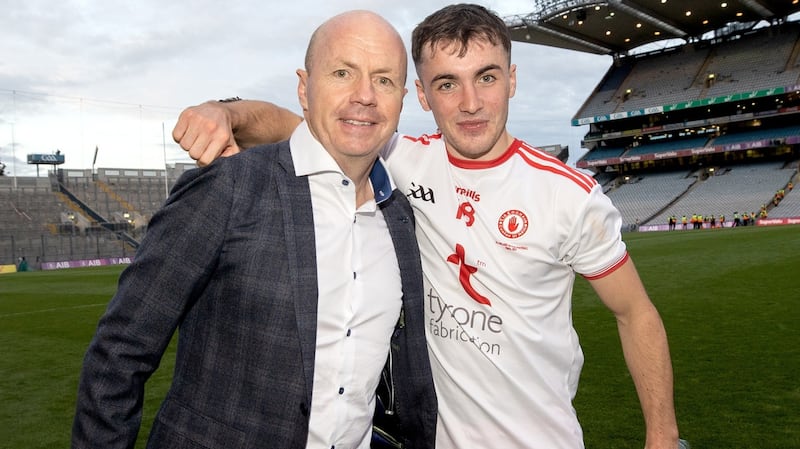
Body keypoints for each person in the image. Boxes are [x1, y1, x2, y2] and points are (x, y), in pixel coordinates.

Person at [173, 4, 680, 449]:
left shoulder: (569, 194)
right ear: (421, 94)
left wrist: (662, 437)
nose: (470, 102)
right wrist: (225, 112)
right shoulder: (400, 158)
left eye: (486, 77)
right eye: (446, 84)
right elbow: (288, 124)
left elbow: (635, 312)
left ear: (512, 79)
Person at [73, 10, 436, 449]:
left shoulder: (400, 217)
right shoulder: (229, 186)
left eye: (383, 80)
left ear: (402, 97)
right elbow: (119, 354)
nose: (364, 96)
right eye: (343, 72)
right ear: (305, 88)